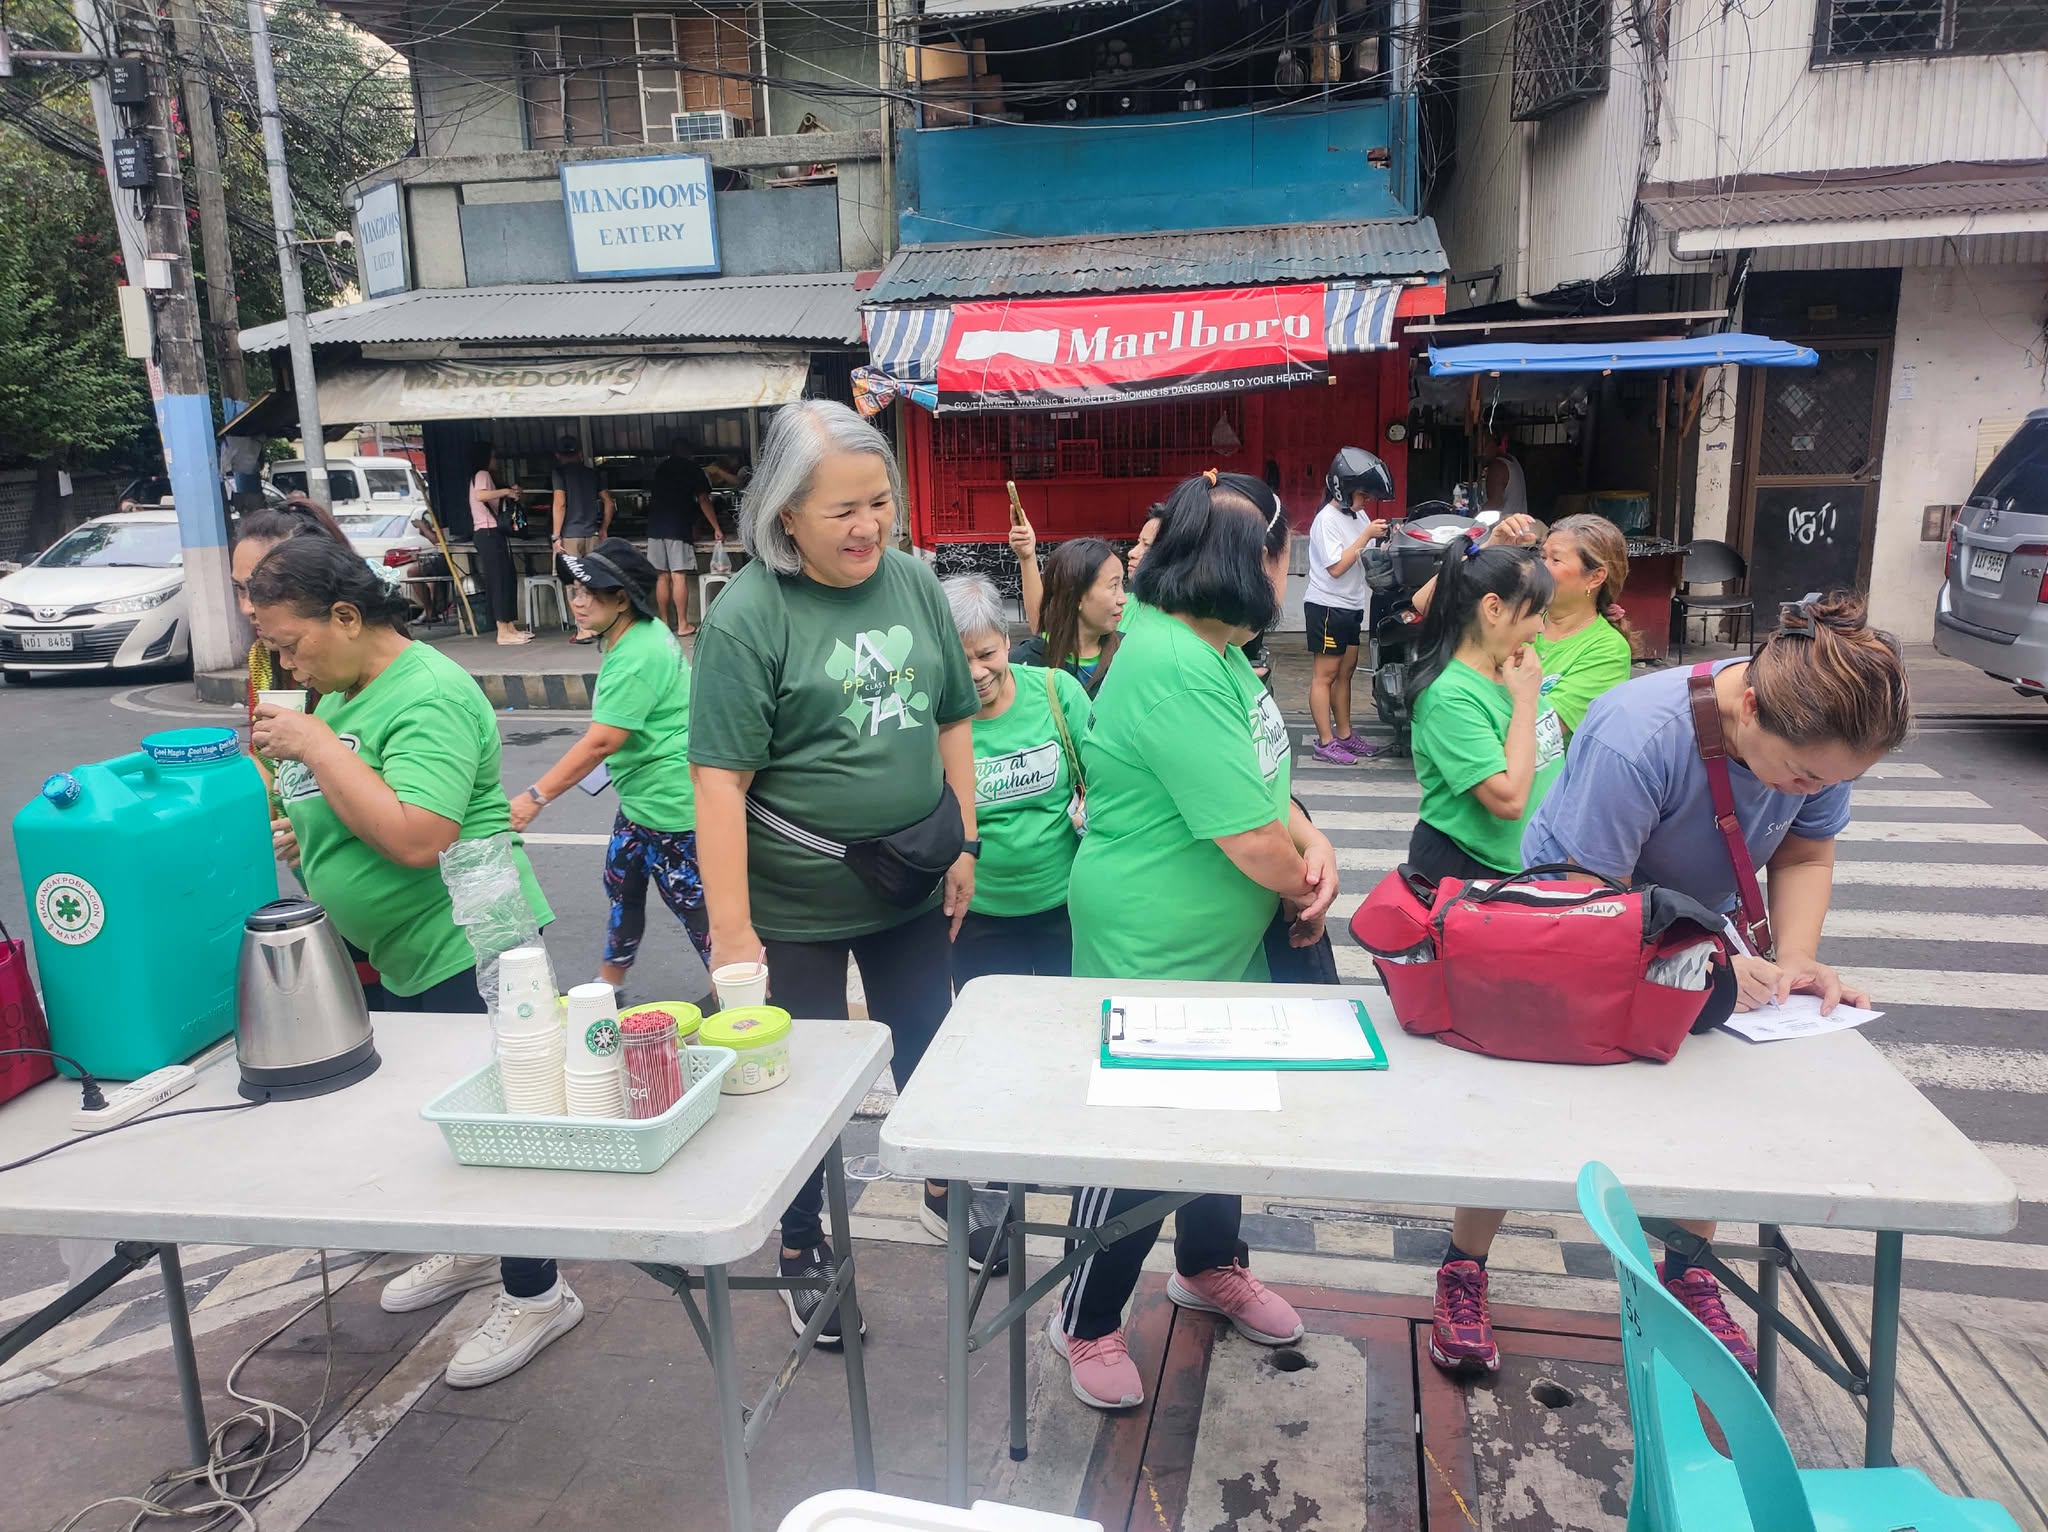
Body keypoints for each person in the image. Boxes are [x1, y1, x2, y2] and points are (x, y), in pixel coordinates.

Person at [1473, 592, 1910, 1377]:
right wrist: (1702, 961)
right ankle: (1465, 1266)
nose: (1809, 792)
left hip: (1697, 933)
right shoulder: (1637, 735)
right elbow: (1586, 897)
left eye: (1832, 782)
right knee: (1524, 1112)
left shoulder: (1824, 737)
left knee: (1708, 1109)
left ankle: (1688, 1270)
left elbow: (1807, 851)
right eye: (1802, 775)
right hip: (1574, 919)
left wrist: (1795, 957)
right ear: (1751, 707)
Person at [689, 399, 999, 1328]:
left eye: (880, 503)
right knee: (800, 1092)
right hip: (795, 909)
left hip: (909, 884)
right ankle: (801, 1243)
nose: (869, 527)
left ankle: (946, 1188)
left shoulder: (911, 582)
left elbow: (952, 714)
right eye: (843, 511)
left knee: (931, 1047)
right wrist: (733, 934)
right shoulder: (749, 616)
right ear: (786, 514)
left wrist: (965, 838)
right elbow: (718, 782)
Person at [245, 537, 571, 1390]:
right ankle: (471, 1247)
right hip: (399, 953)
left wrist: (317, 748)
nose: (288, 665)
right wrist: (309, 829)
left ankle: (538, 1292)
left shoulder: (427, 692)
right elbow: (361, 801)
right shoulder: (343, 692)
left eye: (291, 645)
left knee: (503, 1123)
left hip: (468, 943)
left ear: (346, 616)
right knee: (437, 1117)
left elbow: (420, 835)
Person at [1054, 470, 1339, 1412]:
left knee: (1223, 1112)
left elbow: (1264, 787)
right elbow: (1249, 838)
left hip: (1225, 941)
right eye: (1284, 555)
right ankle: (1086, 1316)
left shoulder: (1221, 649)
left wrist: (1315, 842)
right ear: (1254, 562)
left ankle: (1209, 1264)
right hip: (1156, 942)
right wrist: (1299, 879)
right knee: (1144, 1134)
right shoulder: (1175, 664)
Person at [508, 539, 708, 999]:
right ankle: (609, 983)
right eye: (574, 591)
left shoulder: (637, 654)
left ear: (621, 600)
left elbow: (601, 742)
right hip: (641, 804)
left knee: (699, 915)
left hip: (671, 808)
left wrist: (534, 798)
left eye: (590, 593)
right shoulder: (634, 635)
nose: (578, 602)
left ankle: (743, 997)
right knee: (622, 886)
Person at [943, 573, 1089, 988]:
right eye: (959, 660)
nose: (975, 672)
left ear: (1008, 641)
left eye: (986, 653)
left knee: (1069, 1016)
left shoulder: (1056, 692)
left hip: (1067, 904)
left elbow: (1107, 780)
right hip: (977, 913)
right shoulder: (935, 722)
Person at [1404, 535, 1562, 888]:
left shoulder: (1512, 670)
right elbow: (1509, 800)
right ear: (1493, 608)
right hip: (1472, 871)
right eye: (1536, 612)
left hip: (1530, 863)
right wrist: (1526, 702)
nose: (1540, 627)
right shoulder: (1449, 697)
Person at [1304, 448, 1396, 764]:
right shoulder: (1325, 520)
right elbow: (1336, 567)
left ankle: (1344, 735)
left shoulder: (1359, 517)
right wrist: (1367, 535)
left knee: (1345, 672)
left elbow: (1366, 555)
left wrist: (1384, 542)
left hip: (1352, 604)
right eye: (1363, 495)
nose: (1367, 501)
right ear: (1344, 490)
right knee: (1325, 675)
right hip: (1327, 606)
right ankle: (1325, 741)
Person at [1531, 513, 1635, 736]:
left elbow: (1542, 728)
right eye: (1542, 557)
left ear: (1595, 577)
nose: (1540, 568)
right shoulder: (1521, 621)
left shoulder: (1607, 649)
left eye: (1555, 560)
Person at [1009, 538, 1126, 698]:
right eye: (1113, 586)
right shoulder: (1027, 665)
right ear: (1076, 596)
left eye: (1122, 585)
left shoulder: (1129, 652)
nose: (1123, 599)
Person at [648, 439, 725, 637]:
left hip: (655, 527)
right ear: (688, 452)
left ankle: (664, 623)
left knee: (662, 576)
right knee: (678, 575)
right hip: (677, 527)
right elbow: (703, 499)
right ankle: (683, 624)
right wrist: (716, 527)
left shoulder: (661, 469)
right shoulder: (692, 469)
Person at [551, 437, 613, 644]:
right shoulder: (592, 474)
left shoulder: (559, 473)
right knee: (592, 581)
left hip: (569, 535)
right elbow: (608, 501)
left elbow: (560, 503)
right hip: (592, 534)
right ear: (579, 453)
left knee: (572, 583)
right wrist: (603, 528)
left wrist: (556, 535)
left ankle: (584, 630)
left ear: (558, 455)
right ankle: (598, 626)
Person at [467, 442, 529, 646]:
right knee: (499, 580)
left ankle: (509, 626)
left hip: (492, 533)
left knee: (507, 577)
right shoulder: (482, 474)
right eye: (493, 457)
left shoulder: (486, 477)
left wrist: (510, 493)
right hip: (487, 532)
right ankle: (502, 631)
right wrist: (506, 492)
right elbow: (480, 495)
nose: (496, 461)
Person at [1482, 435, 1528, 519]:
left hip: (1505, 524)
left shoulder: (1497, 467)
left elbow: (1494, 504)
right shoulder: (1512, 460)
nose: (1479, 453)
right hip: (1519, 522)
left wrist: (1473, 520)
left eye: (1483, 445)